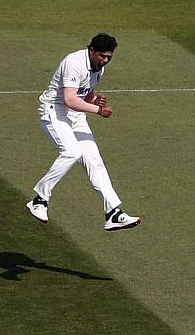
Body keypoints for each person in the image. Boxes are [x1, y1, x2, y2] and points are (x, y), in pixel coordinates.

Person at [25, 34, 141, 233]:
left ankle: (113, 212)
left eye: (109, 57)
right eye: (102, 56)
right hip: (54, 110)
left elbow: (84, 94)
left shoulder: (99, 68)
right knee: (72, 152)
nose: (105, 60)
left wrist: (94, 100)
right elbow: (69, 99)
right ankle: (39, 200)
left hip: (76, 116)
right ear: (92, 50)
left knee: (94, 160)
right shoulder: (74, 62)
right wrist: (98, 111)